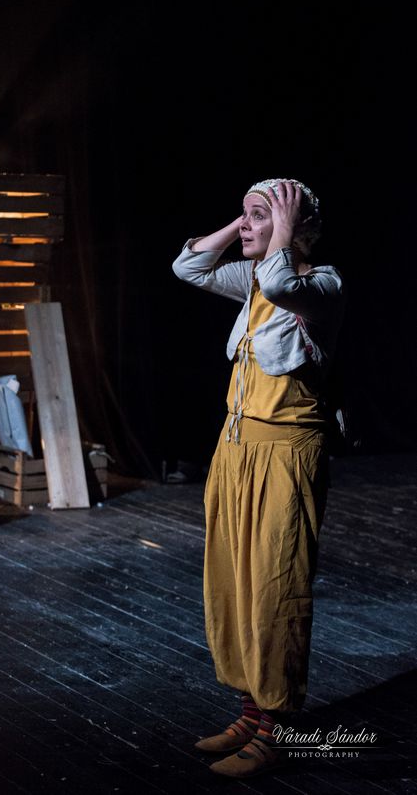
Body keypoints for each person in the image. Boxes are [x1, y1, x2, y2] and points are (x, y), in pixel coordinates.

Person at [172, 178, 346, 779]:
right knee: (233, 586)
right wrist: (247, 221)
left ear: (296, 226)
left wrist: (284, 228)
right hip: (235, 450)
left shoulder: (321, 285)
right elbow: (188, 267)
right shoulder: (250, 278)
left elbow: (280, 284)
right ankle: (250, 713)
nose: (243, 226)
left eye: (257, 216)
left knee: (275, 589)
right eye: (242, 215)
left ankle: (278, 727)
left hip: (286, 453)